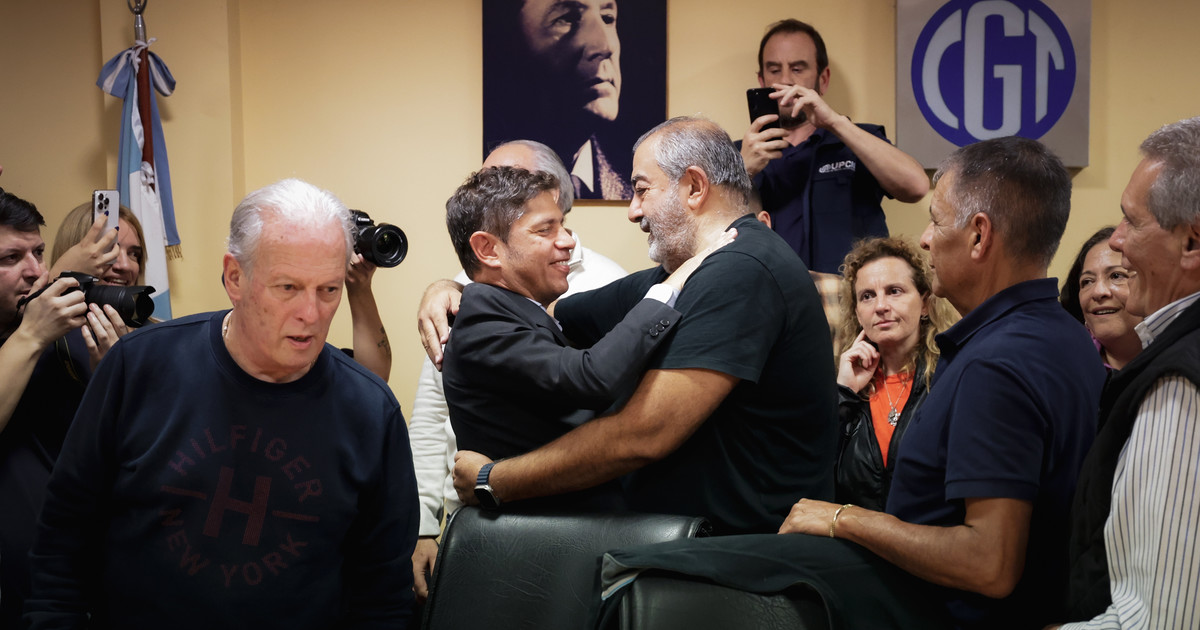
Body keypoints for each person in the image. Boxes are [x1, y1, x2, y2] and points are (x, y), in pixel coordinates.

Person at [26, 179, 418, 629]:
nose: (311, 314)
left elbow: (383, 596)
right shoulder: (137, 367)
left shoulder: (371, 411)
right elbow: (62, 539)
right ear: (235, 278)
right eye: (288, 287)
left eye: (328, 290)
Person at [426, 116, 837, 535]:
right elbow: (543, 316)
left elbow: (642, 435)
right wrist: (460, 292)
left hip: (743, 550)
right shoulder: (681, 274)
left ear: (694, 187)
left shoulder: (741, 269)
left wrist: (494, 481)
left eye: (641, 190)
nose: (633, 211)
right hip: (674, 539)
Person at [776, 136, 1104, 628]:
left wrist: (843, 518)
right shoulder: (1066, 335)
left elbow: (989, 564)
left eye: (935, 219)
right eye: (867, 296)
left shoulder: (994, 363)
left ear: (979, 236)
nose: (926, 238)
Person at [408, 139, 627, 602]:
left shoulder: (608, 281)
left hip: (572, 523)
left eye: (506, 180)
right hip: (479, 521)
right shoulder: (462, 293)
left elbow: (607, 402)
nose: (490, 188)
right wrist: (424, 523)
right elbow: (431, 413)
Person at [443, 165, 727, 514]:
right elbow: (592, 378)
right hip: (547, 531)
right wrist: (671, 286)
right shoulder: (482, 317)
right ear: (488, 249)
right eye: (545, 230)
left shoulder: (515, 308)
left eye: (563, 226)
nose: (568, 241)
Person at [1056, 116, 1200, 629]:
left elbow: (1162, 618)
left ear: (1192, 243)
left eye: (1131, 222)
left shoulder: (1179, 384)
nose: (1116, 239)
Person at [0, 189, 126, 629]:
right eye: (10, 257)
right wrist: (32, 333)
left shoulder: (66, 333)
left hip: (81, 584)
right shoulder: (32, 332)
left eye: (38, 253)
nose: (35, 271)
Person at [739, 19, 929, 273]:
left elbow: (916, 187)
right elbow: (708, 233)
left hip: (854, 293)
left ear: (823, 79)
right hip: (771, 294)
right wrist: (742, 171)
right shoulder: (739, 154)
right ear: (761, 80)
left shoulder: (856, 139)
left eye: (797, 69)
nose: (785, 80)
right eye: (774, 70)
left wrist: (835, 123)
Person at [832, 236, 956, 511]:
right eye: (867, 296)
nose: (880, 306)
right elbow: (818, 472)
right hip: (853, 535)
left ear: (925, 303)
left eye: (894, 291)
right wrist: (843, 393)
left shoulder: (951, 376)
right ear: (857, 313)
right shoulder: (844, 386)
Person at [482, 0, 633, 199]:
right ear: (510, 45)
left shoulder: (631, 184)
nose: (605, 46)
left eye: (607, 18)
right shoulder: (489, 184)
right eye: (567, 19)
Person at [1059, 226, 1143, 371]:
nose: (1098, 292)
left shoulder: (1180, 351)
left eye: (1116, 276)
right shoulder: (1060, 363)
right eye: (1087, 281)